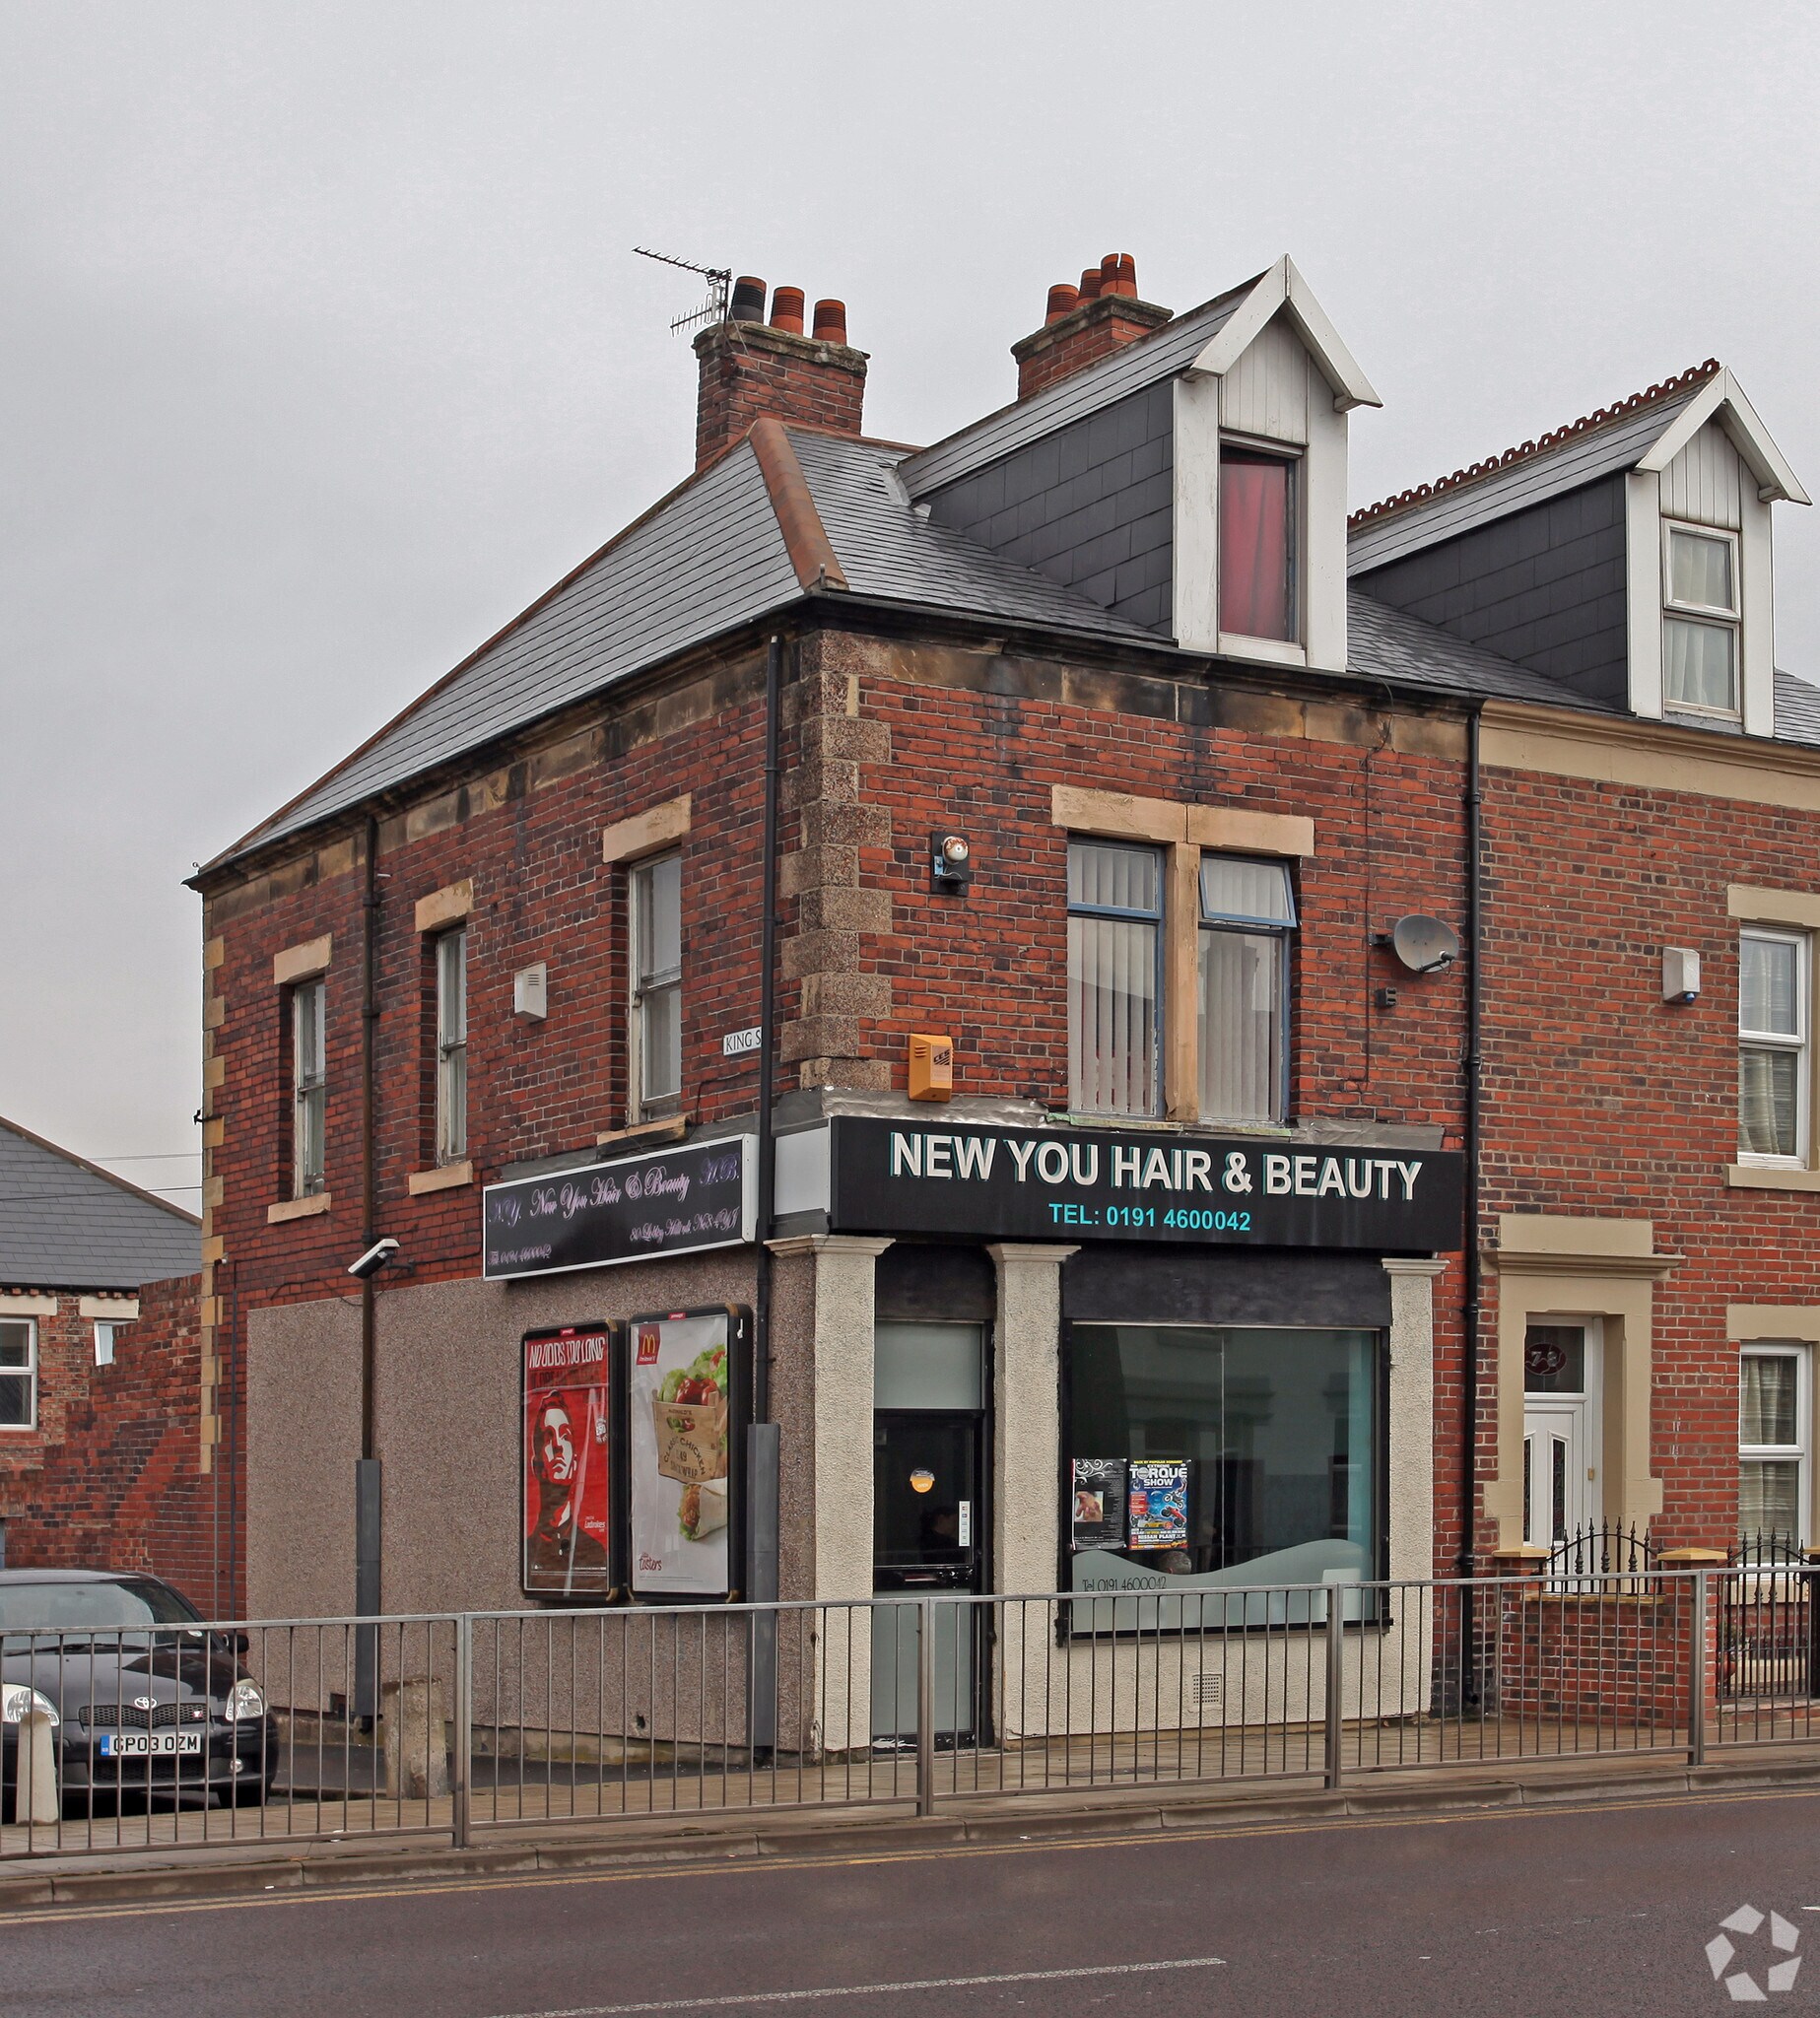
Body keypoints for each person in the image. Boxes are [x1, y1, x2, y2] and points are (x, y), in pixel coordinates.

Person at [525, 1395, 608, 1584]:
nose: (558, 1446)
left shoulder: (594, 1552)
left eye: (565, 1436)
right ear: (536, 1466)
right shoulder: (529, 1552)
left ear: (576, 1463)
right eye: (548, 1437)